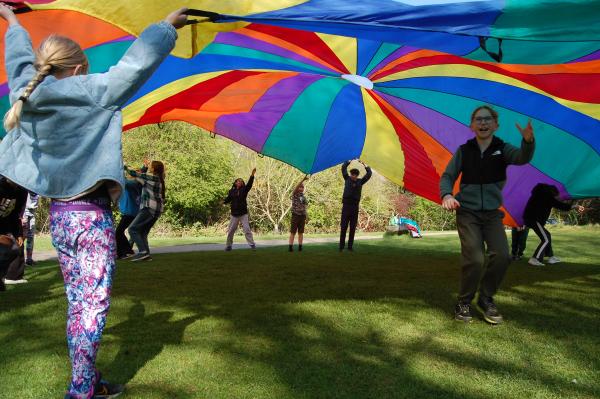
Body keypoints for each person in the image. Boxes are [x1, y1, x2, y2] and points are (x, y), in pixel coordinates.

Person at [0, 4, 188, 398]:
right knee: (92, 307)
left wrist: (13, 23)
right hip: (91, 221)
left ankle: (89, 379)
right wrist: (168, 25)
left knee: (77, 304)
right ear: (78, 68)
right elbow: (135, 65)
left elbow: (18, 61)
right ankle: (82, 390)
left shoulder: (26, 93)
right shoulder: (91, 91)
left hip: (62, 221)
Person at [440, 105, 535, 324]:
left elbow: (522, 158)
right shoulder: (465, 151)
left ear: (495, 124)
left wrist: (528, 142)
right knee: (474, 258)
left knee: (502, 255)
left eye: (487, 119)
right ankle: (464, 302)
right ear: (472, 125)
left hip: (492, 214)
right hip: (468, 213)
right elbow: (447, 175)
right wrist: (446, 195)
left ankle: (486, 298)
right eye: (478, 120)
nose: (483, 123)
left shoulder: (503, 149)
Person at [523, 183, 584, 266]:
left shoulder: (539, 195)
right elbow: (560, 205)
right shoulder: (547, 196)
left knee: (547, 235)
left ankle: (551, 257)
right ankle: (534, 259)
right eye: (556, 196)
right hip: (534, 219)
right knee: (546, 239)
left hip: (531, 219)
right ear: (553, 193)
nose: (556, 197)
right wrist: (575, 206)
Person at [125, 161, 166, 262]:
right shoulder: (158, 179)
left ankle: (143, 252)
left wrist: (124, 166)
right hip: (157, 210)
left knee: (132, 229)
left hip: (149, 208)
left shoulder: (152, 177)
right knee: (142, 232)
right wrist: (143, 169)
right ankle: (146, 255)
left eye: (151, 166)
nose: (150, 167)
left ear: (153, 169)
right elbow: (139, 179)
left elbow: (134, 174)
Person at [0, 176, 28, 288]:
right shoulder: (1, 187)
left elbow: (15, 214)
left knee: (15, 247)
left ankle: (12, 277)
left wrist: (19, 234)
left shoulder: (22, 191)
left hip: (6, 223)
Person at [339, 160, 371, 251]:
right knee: (344, 226)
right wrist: (349, 161)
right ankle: (341, 247)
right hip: (346, 206)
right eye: (352, 174)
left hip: (354, 207)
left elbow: (369, 174)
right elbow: (343, 168)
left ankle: (350, 247)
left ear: (357, 176)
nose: (353, 176)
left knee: (352, 228)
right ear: (350, 174)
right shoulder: (346, 178)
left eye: (355, 175)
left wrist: (364, 164)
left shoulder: (360, 182)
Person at [224, 168, 257, 251]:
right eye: (238, 181)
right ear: (235, 183)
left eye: (241, 181)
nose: (239, 182)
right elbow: (228, 199)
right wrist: (223, 202)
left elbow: (249, 184)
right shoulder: (231, 191)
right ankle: (229, 246)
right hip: (234, 214)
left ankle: (252, 245)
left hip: (243, 214)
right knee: (231, 230)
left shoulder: (244, 190)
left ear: (242, 184)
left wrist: (252, 175)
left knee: (247, 229)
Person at [116, 170, 144, 259]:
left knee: (119, 232)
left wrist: (120, 169)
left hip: (130, 212)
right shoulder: (138, 184)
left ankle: (127, 252)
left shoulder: (133, 184)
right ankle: (121, 253)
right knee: (120, 232)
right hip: (133, 212)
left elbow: (123, 180)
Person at [289, 176, 309, 252]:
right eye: (300, 187)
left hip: (302, 216)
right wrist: (303, 180)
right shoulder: (294, 194)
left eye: (302, 188)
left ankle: (300, 247)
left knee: (301, 232)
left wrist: (307, 216)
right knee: (293, 232)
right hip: (295, 215)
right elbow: (296, 187)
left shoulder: (303, 197)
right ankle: (290, 247)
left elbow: (305, 208)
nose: (301, 188)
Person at [22, 192, 39, 266]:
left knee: (31, 237)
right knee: (23, 236)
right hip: (24, 214)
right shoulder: (26, 189)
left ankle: (29, 259)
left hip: (32, 214)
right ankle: (19, 259)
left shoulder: (37, 191)